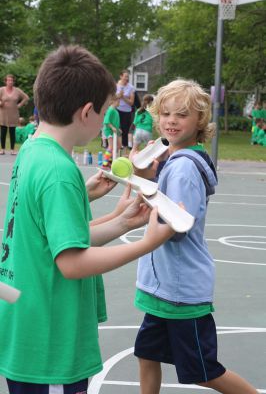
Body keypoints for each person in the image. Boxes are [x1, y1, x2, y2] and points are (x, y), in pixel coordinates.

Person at [0, 45, 174, 394]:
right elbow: (72, 262)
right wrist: (146, 243)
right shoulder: (60, 172)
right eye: (105, 111)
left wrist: (119, 220)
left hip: (26, 324)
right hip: (51, 336)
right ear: (87, 112)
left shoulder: (33, 149)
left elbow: (50, 235)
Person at [133, 79, 259, 394]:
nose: (171, 121)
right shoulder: (175, 159)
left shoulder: (183, 169)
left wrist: (146, 200)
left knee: (204, 371)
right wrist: (145, 176)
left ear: (199, 121)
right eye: (165, 114)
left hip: (180, 289)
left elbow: (175, 227)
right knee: (146, 353)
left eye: (182, 115)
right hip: (165, 286)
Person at [0, 74, 29, 155]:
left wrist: (19, 105)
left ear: (13, 81)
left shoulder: (17, 90)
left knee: (12, 132)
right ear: (5, 81)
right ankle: (2, 149)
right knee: (3, 132)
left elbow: (26, 97)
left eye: (11, 80)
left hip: (13, 114)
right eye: (8, 80)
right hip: (3, 114)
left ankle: (12, 149)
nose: (10, 82)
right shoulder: (1, 90)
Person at [116, 69, 135, 149]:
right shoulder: (116, 86)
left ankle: (125, 146)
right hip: (117, 110)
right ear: (121, 76)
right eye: (125, 76)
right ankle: (116, 145)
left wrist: (123, 97)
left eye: (128, 76)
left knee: (125, 130)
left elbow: (131, 102)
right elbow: (112, 99)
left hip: (127, 111)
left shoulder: (131, 87)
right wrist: (118, 96)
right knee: (117, 128)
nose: (126, 78)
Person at [102, 94, 122, 167]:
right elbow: (106, 121)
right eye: (118, 101)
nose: (119, 103)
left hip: (114, 131)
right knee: (111, 146)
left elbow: (115, 122)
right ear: (114, 101)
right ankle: (105, 162)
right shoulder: (110, 110)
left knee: (118, 145)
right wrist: (112, 127)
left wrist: (117, 128)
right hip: (109, 131)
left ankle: (111, 159)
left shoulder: (115, 111)